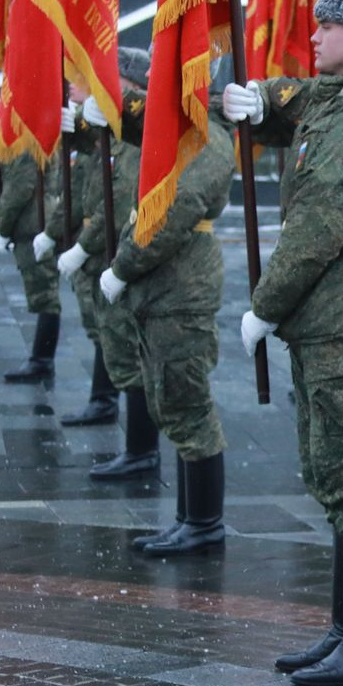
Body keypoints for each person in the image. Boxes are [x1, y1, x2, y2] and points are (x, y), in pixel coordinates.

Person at [222, 0, 343, 686]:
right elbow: (297, 97)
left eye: (327, 26)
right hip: (335, 304)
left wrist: (267, 304)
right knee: (332, 466)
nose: (315, 36)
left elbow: (321, 216)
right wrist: (260, 100)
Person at [103, 76, 236, 554]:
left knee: (187, 401)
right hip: (166, 287)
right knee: (170, 398)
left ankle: (204, 522)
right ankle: (188, 517)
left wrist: (123, 266)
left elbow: (176, 210)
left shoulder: (209, 139)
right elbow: (146, 130)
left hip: (183, 287)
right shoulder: (189, 133)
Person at [52, 50, 157, 478]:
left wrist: (86, 246)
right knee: (108, 335)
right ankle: (111, 410)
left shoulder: (130, 138)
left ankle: (141, 449)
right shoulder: (113, 132)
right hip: (105, 244)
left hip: (120, 248)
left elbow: (120, 198)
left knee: (127, 349)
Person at [34, 81, 128, 437]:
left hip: (103, 244)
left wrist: (82, 246)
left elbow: (110, 202)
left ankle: (107, 399)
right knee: (98, 328)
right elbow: (73, 196)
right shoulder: (86, 130)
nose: (71, 84)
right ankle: (103, 396)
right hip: (89, 240)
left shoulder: (106, 135)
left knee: (109, 330)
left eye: (81, 77)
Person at [0, 114, 64, 386]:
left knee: (44, 294)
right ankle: (41, 358)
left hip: (32, 222)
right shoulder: (38, 132)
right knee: (43, 293)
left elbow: (19, 188)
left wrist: (2, 226)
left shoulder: (29, 141)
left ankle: (42, 360)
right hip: (38, 219)